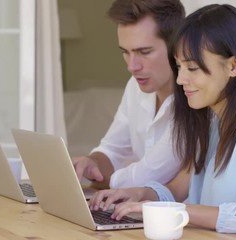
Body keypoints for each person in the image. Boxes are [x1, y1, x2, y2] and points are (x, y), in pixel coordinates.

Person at [88, 4, 236, 239]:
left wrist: (181, 212)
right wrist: (139, 195)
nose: (181, 79)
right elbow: (176, 190)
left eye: (192, 68)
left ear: (233, 66)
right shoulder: (211, 121)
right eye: (179, 66)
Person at [72, 0, 185, 189]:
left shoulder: (194, 100)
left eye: (144, 52)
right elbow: (111, 150)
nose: (132, 66)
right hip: (137, 212)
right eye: (126, 52)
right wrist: (91, 163)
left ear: (177, 46)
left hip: (181, 217)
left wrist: (98, 179)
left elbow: (144, 178)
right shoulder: (135, 87)